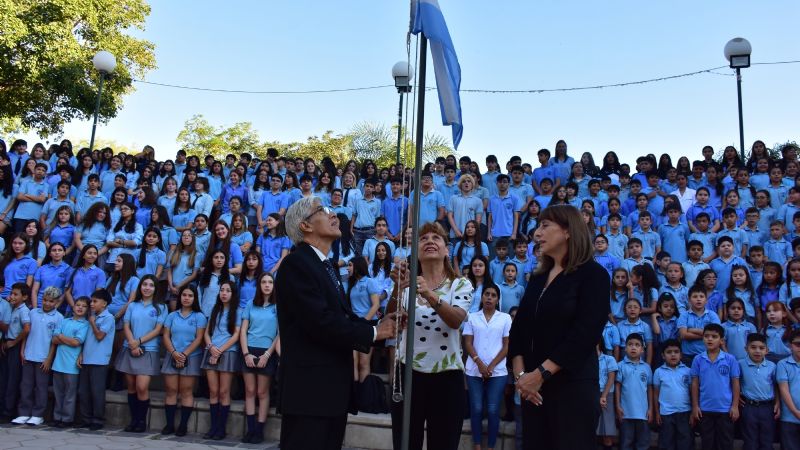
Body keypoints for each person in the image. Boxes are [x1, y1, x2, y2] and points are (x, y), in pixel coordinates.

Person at [275, 196, 397, 450]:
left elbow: (344, 316)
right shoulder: (296, 264)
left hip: (330, 393)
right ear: (305, 226)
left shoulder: (325, 265)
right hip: (310, 395)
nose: (333, 214)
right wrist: (374, 332)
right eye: (322, 210)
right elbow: (321, 322)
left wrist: (381, 323)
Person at [509, 204, 609, 450]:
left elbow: (586, 333)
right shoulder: (538, 277)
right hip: (534, 393)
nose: (536, 233)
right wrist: (523, 379)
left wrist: (540, 374)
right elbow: (519, 329)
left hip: (572, 390)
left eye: (545, 226)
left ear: (568, 231)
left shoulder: (594, 275)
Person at [387, 220, 471, 450]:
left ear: (446, 249)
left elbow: (455, 320)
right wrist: (398, 286)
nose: (430, 241)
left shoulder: (460, 284)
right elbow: (389, 320)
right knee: (405, 443)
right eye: (423, 238)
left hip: (447, 376)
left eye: (436, 238)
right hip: (408, 374)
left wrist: (429, 295)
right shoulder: (406, 283)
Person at [463, 284, 511, 450]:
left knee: (492, 409)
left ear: (498, 300)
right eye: (487, 294)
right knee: (476, 409)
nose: (489, 297)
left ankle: (490, 447)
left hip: (497, 372)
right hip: (474, 370)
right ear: (482, 297)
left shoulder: (505, 318)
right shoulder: (472, 317)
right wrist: (479, 363)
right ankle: (477, 446)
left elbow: (506, 346)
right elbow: (467, 343)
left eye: (493, 295)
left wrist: (489, 366)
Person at [239, 272, 280, 444]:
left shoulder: (278, 306)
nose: (267, 285)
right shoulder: (250, 304)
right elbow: (243, 331)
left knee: (262, 392)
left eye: (270, 282)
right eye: (264, 282)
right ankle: (251, 429)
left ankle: (260, 430)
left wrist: (268, 354)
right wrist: (246, 353)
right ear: (259, 285)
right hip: (249, 350)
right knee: (249, 391)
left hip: (267, 352)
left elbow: (280, 334)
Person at [160, 285, 206, 437]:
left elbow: (199, 338)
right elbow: (166, 335)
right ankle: (169, 424)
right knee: (171, 390)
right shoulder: (172, 315)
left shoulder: (199, 316)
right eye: (184, 295)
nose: (186, 298)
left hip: (191, 357)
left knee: (186, 391)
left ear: (195, 298)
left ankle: (183, 425)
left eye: (190, 295)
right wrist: (174, 353)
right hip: (172, 355)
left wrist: (184, 354)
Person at [690, 323, 741, 450]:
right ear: (703, 339)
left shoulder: (730, 359)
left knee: (725, 443)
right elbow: (695, 384)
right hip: (705, 409)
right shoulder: (698, 359)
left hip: (725, 410)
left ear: (722, 340)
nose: (710, 339)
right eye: (706, 336)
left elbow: (735, 383)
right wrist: (695, 406)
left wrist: (735, 406)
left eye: (714, 336)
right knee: (707, 443)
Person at [77, 289, 115, 431]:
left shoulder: (108, 318)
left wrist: (92, 323)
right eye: (91, 301)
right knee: (83, 391)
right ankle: (86, 418)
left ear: (104, 303)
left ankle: (98, 419)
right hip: (87, 357)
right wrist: (81, 354)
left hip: (99, 360)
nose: (91, 304)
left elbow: (100, 336)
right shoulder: (91, 317)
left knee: (97, 391)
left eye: (95, 301)